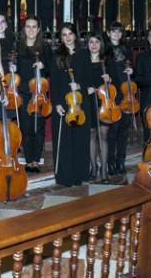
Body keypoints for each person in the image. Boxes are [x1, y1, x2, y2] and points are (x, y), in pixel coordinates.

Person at [50, 23, 89, 187]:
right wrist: (56, 104)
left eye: (70, 34)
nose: (67, 37)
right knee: (64, 141)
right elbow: (54, 82)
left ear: (75, 35)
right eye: (64, 34)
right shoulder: (57, 56)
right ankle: (65, 177)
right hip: (63, 103)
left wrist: (80, 86)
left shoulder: (84, 55)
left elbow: (89, 79)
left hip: (79, 103)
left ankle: (79, 175)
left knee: (80, 140)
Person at [14, 15, 52, 173]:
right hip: (23, 92)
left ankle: (36, 159)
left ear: (38, 29)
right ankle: (29, 160)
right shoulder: (18, 47)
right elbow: (14, 68)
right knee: (26, 127)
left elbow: (51, 69)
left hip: (39, 94)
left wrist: (43, 65)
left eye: (33, 27)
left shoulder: (45, 48)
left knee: (38, 128)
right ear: (24, 29)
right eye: (28, 26)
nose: (30, 29)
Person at [82, 32, 118, 182]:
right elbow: (79, 80)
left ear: (101, 44)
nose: (94, 45)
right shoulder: (83, 61)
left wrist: (109, 79)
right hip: (89, 102)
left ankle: (104, 168)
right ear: (87, 44)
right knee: (91, 136)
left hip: (104, 104)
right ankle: (93, 167)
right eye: (91, 42)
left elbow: (116, 81)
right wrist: (86, 89)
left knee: (103, 136)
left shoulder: (107, 61)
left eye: (97, 42)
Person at [105, 21, 134, 182]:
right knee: (113, 130)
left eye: (119, 31)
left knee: (123, 129)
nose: (116, 34)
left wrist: (132, 70)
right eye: (113, 31)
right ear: (108, 33)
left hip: (126, 94)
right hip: (112, 94)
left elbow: (131, 70)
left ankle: (120, 161)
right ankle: (110, 162)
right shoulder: (105, 50)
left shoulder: (126, 50)